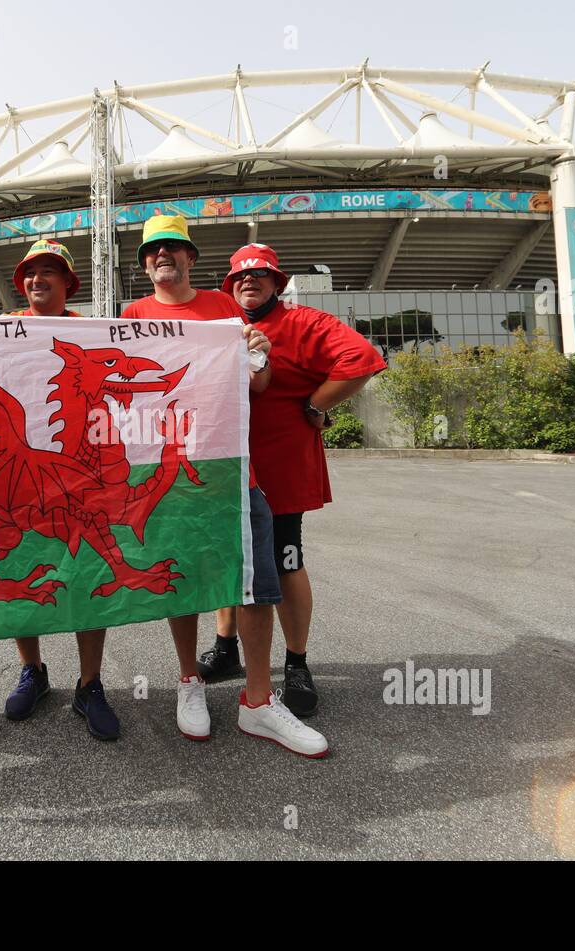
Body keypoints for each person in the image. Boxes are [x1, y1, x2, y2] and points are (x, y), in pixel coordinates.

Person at [120, 216, 327, 758]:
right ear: (145, 264)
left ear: (191, 258)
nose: (164, 256)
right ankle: (189, 681)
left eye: (174, 248)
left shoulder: (224, 308)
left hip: (233, 468)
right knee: (181, 578)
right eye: (154, 250)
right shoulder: (132, 316)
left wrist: (257, 348)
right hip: (166, 468)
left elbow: (257, 384)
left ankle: (258, 701)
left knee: (257, 582)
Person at [198, 244, 387, 719]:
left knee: (285, 559)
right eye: (240, 276)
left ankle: (297, 662)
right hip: (226, 466)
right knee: (230, 557)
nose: (249, 282)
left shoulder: (306, 323)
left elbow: (363, 357)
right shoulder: (220, 325)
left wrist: (316, 405)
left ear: (277, 283)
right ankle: (226, 646)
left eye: (260, 275)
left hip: (278, 470)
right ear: (229, 284)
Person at [0, 239, 120, 742]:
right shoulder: (1, 330)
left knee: (87, 574)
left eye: (49, 272)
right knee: (21, 568)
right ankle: (34, 671)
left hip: (80, 474)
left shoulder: (90, 332)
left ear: (69, 283)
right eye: (29, 272)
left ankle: (89, 685)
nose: (36, 280)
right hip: (21, 475)